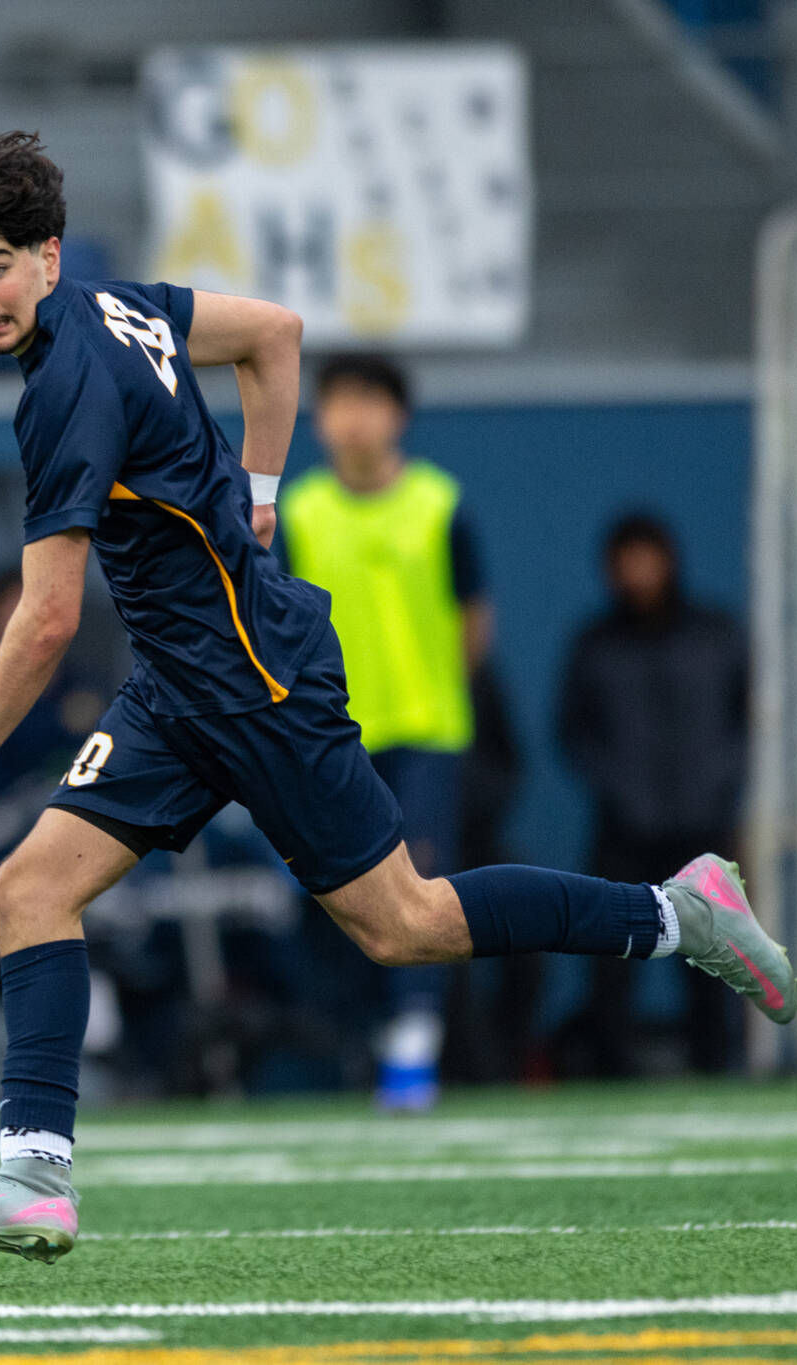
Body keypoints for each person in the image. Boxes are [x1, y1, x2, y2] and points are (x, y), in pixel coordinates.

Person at [0, 132, 797, 1263]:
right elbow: (274, 335)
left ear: (47, 255)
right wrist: (258, 493)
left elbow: (48, 618)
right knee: (30, 888)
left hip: (254, 688)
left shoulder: (64, 385)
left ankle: (681, 914)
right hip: (180, 685)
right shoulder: (118, 309)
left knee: (405, 926)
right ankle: (35, 1180)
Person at [281, 353, 492, 1110]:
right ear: (318, 417)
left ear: (399, 415)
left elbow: (473, 616)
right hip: (333, 740)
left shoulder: (439, 503)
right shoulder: (299, 511)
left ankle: (415, 1042)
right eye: (340, 402)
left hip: (428, 732)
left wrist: (437, 685)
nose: (355, 418)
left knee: (423, 888)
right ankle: (361, 1040)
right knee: (339, 892)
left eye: (371, 401)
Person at [556, 514, 751, 1075]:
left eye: (648, 558)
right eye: (627, 561)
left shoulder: (715, 635)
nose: (639, 574)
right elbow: (573, 732)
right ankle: (611, 1070)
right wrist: (620, 792)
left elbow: (743, 719)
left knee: (712, 957)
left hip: (702, 828)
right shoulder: (593, 646)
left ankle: (717, 1068)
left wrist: (718, 786)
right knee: (613, 956)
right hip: (624, 831)